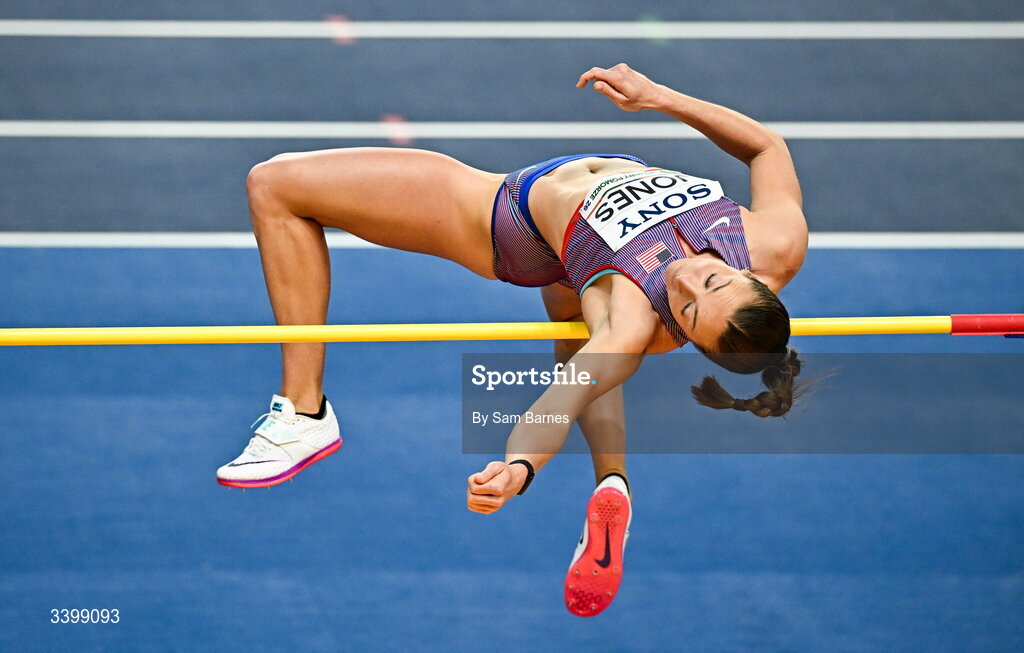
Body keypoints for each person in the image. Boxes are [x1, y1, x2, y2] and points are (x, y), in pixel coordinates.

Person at [217, 63, 809, 617]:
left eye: (685, 310)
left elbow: (559, 400)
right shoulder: (776, 240)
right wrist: (659, 97)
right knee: (577, 329)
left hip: (513, 220)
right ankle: (612, 484)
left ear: (683, 336)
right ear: (750, 275)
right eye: (711, 280)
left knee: (275, 185)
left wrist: (518, 466)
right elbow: (766, 147)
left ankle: (304, 410)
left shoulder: (633, 318)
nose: (683, 280)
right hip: (578, 242)